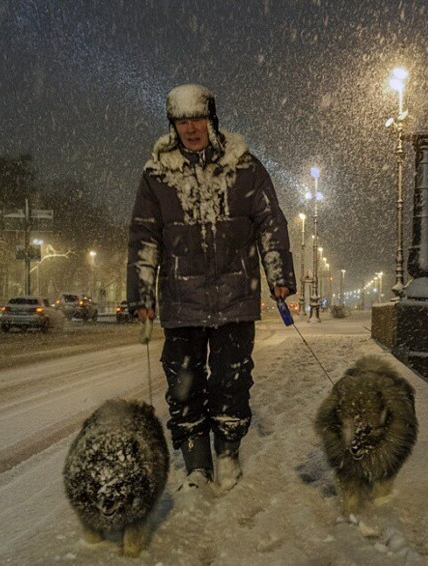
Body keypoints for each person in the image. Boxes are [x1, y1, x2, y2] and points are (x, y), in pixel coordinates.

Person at [127, 84, 296, 492]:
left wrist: (279, 277)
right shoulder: (157, 175)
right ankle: (197, 464)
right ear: (173, 126)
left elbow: (270, 224)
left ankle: (227, 452)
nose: (191, 129)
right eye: (182, 121)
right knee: (182, 384)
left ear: (212, 120)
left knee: (231, 381)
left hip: (235, 299)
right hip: (182, 302)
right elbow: (144, 238)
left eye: (197, 119)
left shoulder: (245, 167)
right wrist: (141, 293)